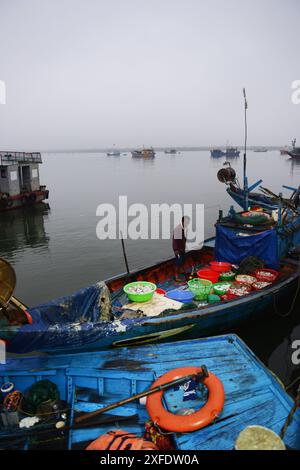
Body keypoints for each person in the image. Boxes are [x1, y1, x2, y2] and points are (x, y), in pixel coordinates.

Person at [172, 216, 190, 282]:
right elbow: (175, 241)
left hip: (182, 248)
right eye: (186, 222)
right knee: (178, 262)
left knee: (183, 260)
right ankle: (176, 276)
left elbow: (183, 238)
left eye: (188, 222)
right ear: (182, 221)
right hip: (178, 250)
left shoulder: (183, 228)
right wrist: (175, 250)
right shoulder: (178, 229)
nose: (187, 224)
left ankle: (182, 271)